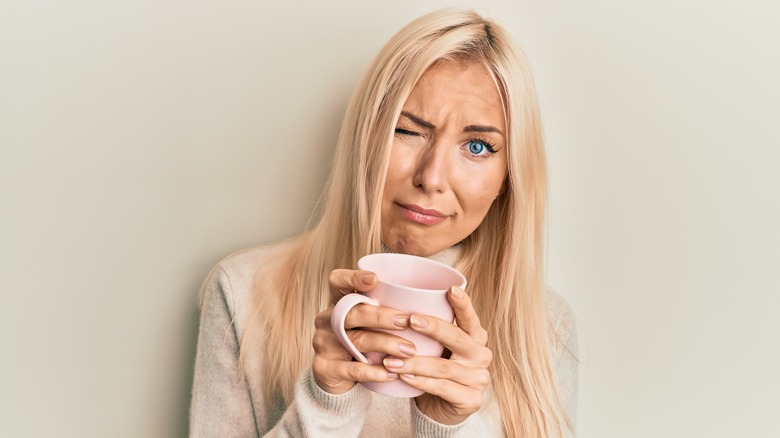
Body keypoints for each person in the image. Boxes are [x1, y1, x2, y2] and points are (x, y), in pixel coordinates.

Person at [190, 8, 578, 438]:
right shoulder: (244, 293)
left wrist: (448, 428)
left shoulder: (545, 327)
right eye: (408, 130)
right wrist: (326, 404)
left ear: (510, 176)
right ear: (367, 136)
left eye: (479, 146)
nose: (431, 178)